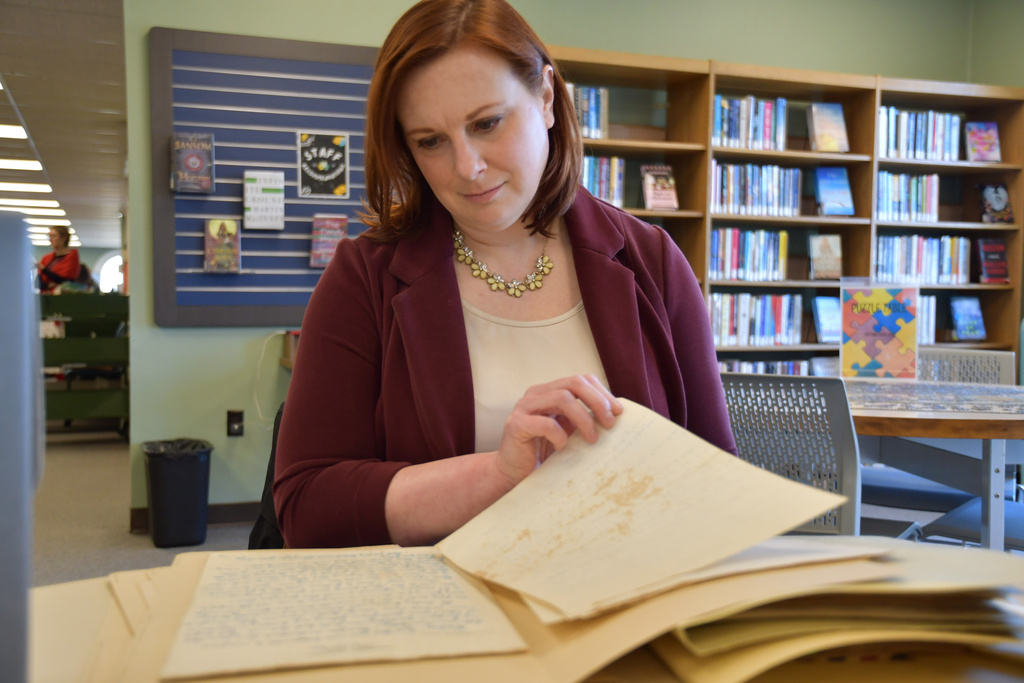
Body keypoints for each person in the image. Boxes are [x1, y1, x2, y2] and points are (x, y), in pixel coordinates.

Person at [274, 0, 736, 549]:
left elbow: (716, 482)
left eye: (487, 123)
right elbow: (308, 508)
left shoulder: (651, 261)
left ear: (546, 97)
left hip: (626, 608)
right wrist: (496, 476)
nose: (466, 167)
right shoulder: (363, 278)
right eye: (430, 141)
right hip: (441, 617)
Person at [37, 225, 81, 293]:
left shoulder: (72, 257)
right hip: (45, 295)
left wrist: (44, 270)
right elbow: (37, 283)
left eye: (53, 236)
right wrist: (49, 284)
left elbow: (65, 281)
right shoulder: (46, 258)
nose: (50, 239)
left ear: (64, 238)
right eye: (49, 236)